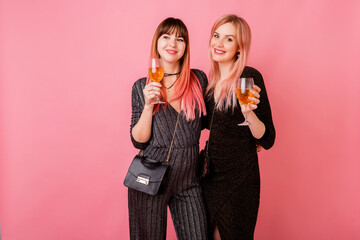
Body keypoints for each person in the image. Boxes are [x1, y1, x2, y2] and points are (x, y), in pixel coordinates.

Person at [129, 17, 208, 240]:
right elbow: (139, 141)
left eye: (180, 38)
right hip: (150, 177)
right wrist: (148, 106)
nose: (172, 43)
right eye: (166, 37)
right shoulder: (141, 86)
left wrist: (248, 132)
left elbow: (211, 121)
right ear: (157, 43)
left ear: (186, 47)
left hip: (188, 181)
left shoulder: (198, 80)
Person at [201, 14, 276, 240]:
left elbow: (268, 139)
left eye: (229, 39)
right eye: (216, 36)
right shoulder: (210, 84)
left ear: (239, 48)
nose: (219, 43)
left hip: (240, 180)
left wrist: (249, 113)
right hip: (211, 178)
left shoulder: (248, 77)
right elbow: (205, 125)